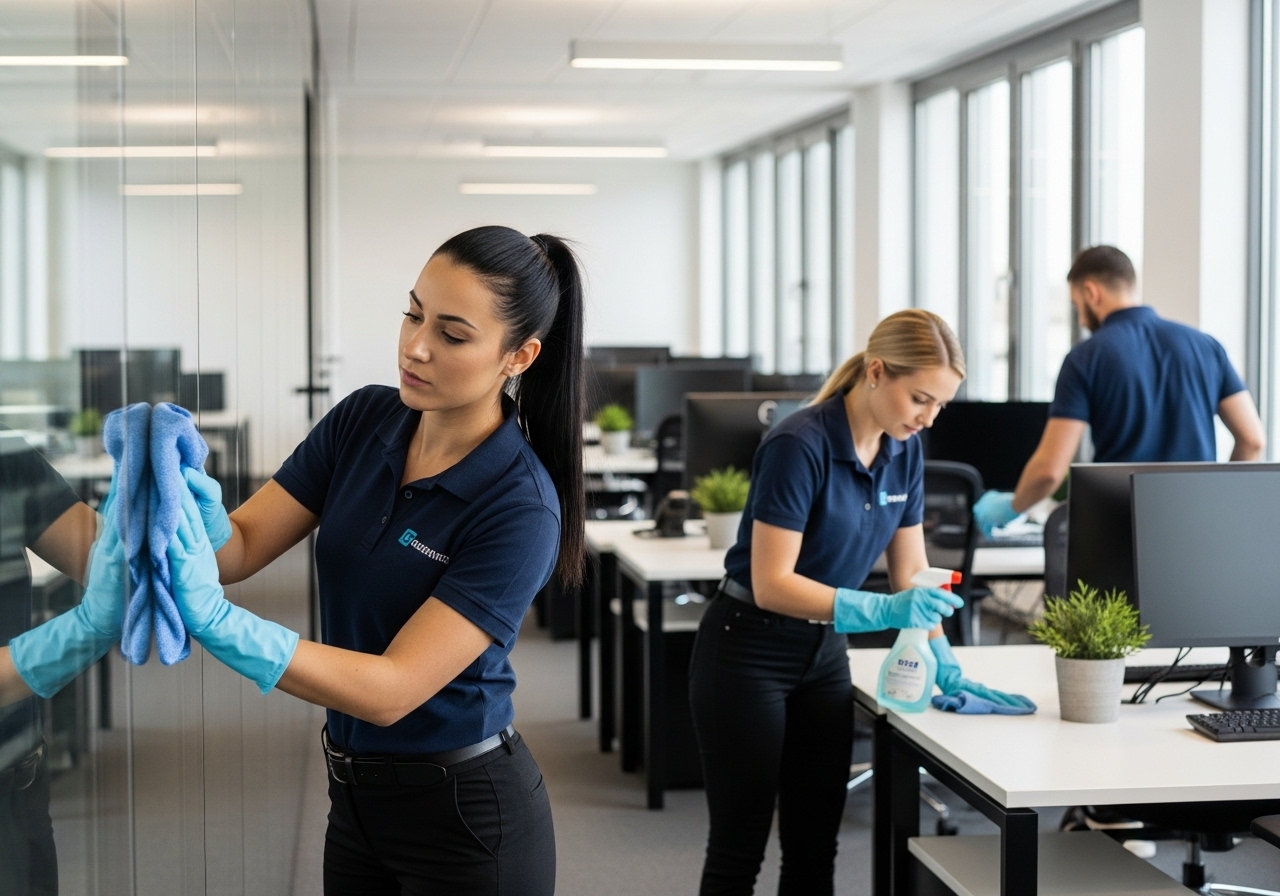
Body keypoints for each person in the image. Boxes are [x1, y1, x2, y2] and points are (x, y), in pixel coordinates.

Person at [163, 225, 581, 895]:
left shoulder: (520, 507)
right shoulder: (365, 419)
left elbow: (391, 689)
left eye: (452, 334)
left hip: (465, 823)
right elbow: (236, 548)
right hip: (355, 803)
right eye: (413, 312)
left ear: (519, 357)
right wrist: (188, 494)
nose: (415, 346)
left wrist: (222, 625)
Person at [688, 309, 1025, 896]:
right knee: (738, 851)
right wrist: (885, 612)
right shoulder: (799, 444)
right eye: (921, 398)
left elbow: (914, 574)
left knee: (816, 848)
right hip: (747, 650)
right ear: (876, 372)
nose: (929, 417)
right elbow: (772, 582)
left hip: (823, 658)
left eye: (940, 404)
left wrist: (943, 655)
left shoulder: (906, 450)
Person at [974, 245, 1266, 535]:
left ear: (1091, 292)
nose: (1080, 318)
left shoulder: (1085, 358)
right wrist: (1218, 501)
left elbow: (1049, 470)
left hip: (1120, 528)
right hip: (1196, 527)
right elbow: (1252, 440)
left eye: (1076, 306)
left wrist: (1012, 507)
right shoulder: (1206, 347)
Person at [0, 426, 125, 896]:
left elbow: (110, 562)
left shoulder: (4, 455)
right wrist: (83, 630)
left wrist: (150, 505)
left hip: (20, 780)